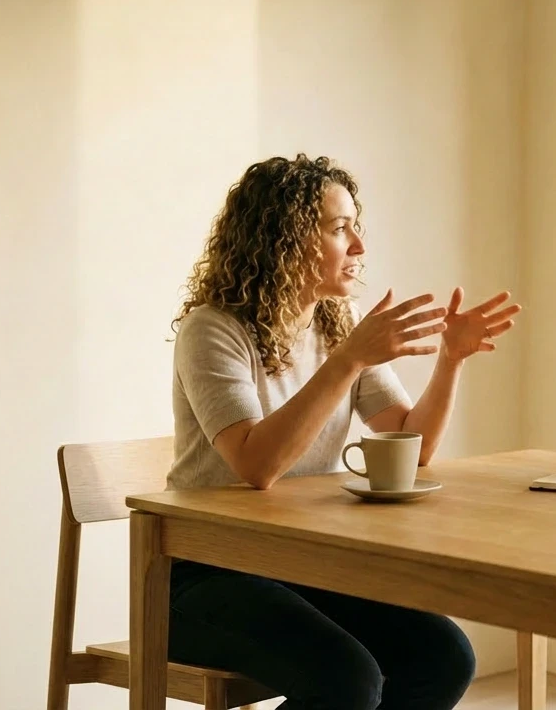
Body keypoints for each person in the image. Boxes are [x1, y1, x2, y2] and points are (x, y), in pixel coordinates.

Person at [166, 153, 521, 710]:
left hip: (299, 564)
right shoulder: (213, 330)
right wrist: (348, 361)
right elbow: (257, 466)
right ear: (282, 240)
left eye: (357, 226)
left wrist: (450, 359)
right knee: (348, 679)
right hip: (203, 575)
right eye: (339, 229)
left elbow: (414, 445)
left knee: (444, 657)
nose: (359, 245)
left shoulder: (339, 326)